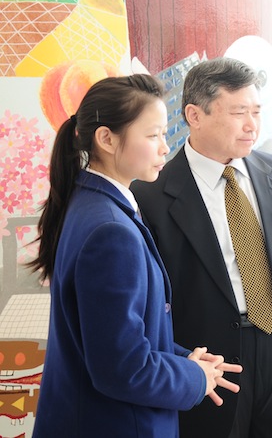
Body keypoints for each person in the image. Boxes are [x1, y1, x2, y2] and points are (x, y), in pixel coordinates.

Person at [131, 57, 272, 438]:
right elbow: (151, 300)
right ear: (195, 115)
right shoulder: (150, 194)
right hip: (211, 361)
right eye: (239, 112)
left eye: (256, 111)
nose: (252, 125)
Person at [29, 75, 242, 438]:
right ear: (107, 139)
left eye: (164, 133)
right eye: (153, 135)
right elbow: (122, 368)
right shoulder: (110, 232)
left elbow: (113, 336)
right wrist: (194, 377)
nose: (165, 147)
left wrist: (183, 360)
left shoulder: (91, 204)